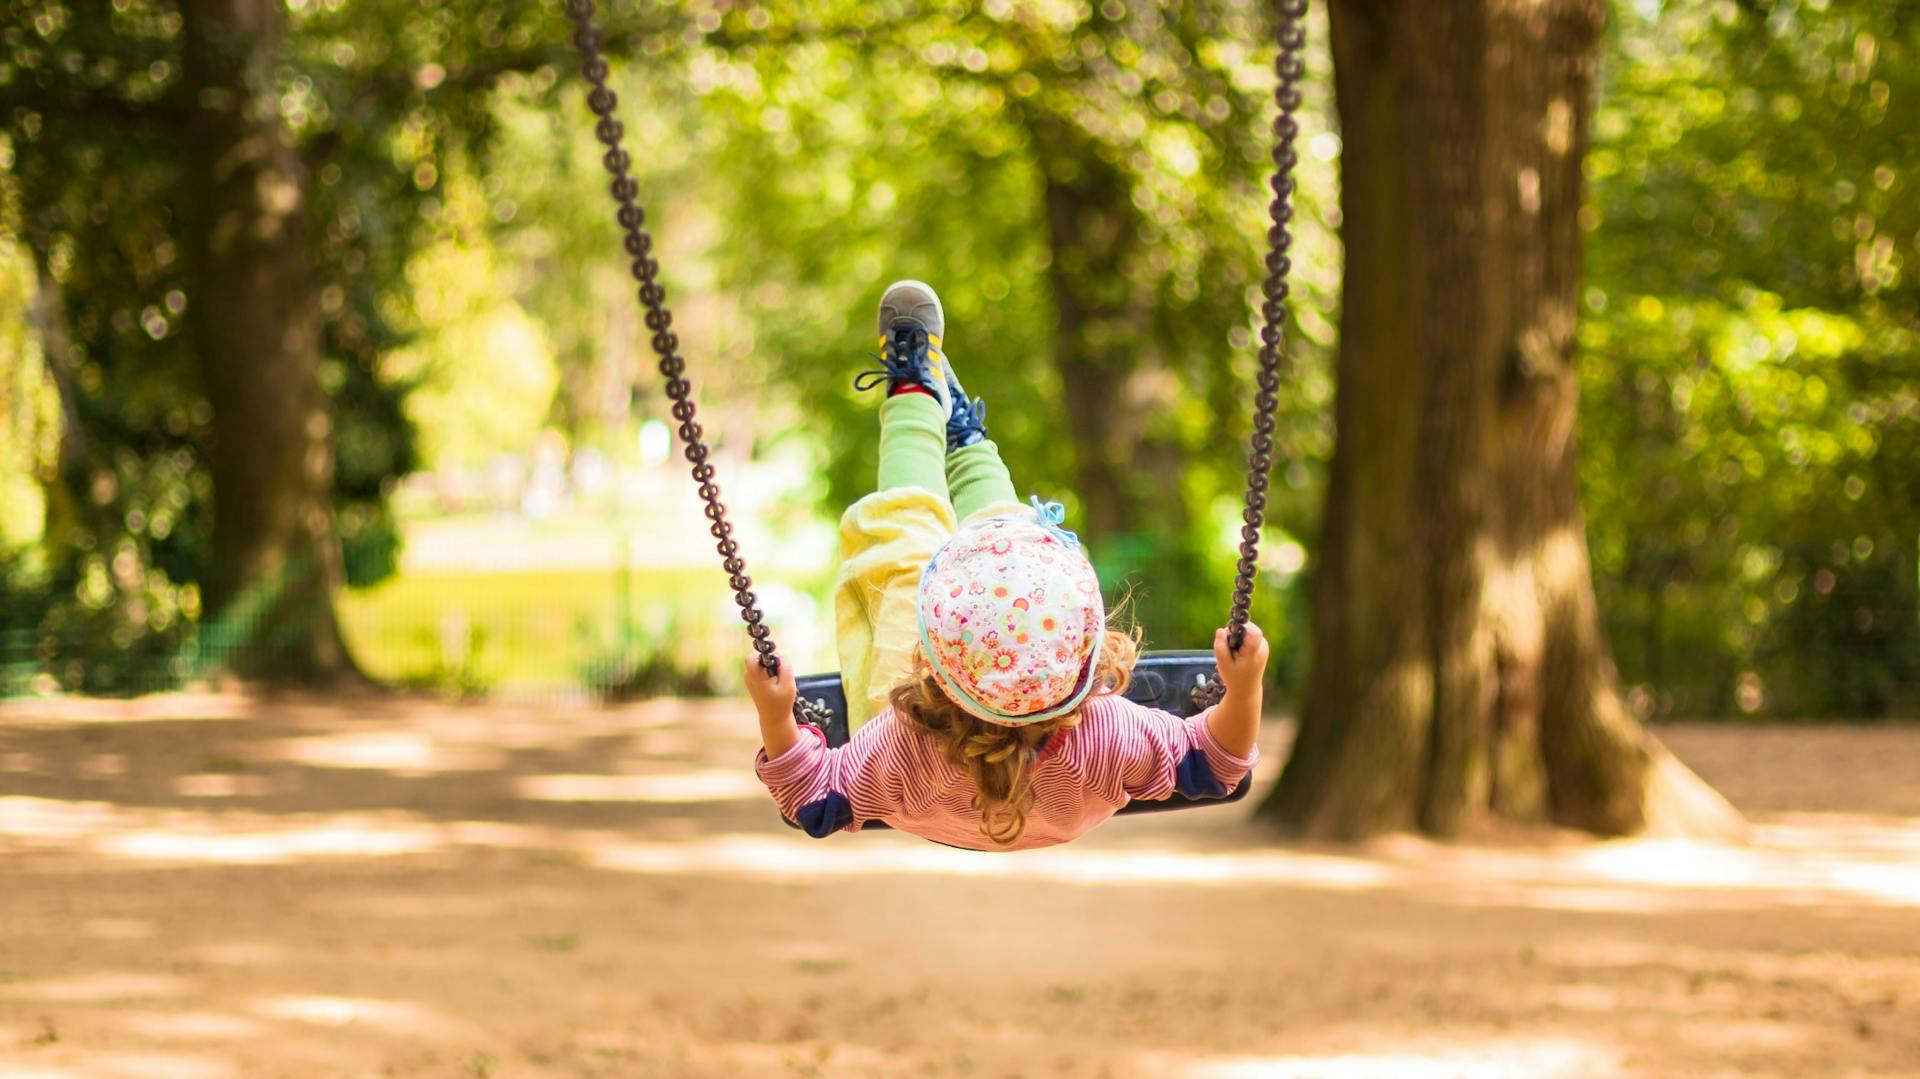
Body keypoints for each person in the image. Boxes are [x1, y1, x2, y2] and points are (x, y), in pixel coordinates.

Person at [743, 281, 1268, 849]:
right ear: (1083, 662)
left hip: (927, 794)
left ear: (934, 670)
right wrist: (1245, 688)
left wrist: (775, 716)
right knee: (992, 545)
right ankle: (960, 435)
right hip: (1050, 801)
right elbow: (1218, 764)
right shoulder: (1110, 734)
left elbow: (814, 796)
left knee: (905, 540)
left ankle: (924, 399)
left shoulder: (907, 743)